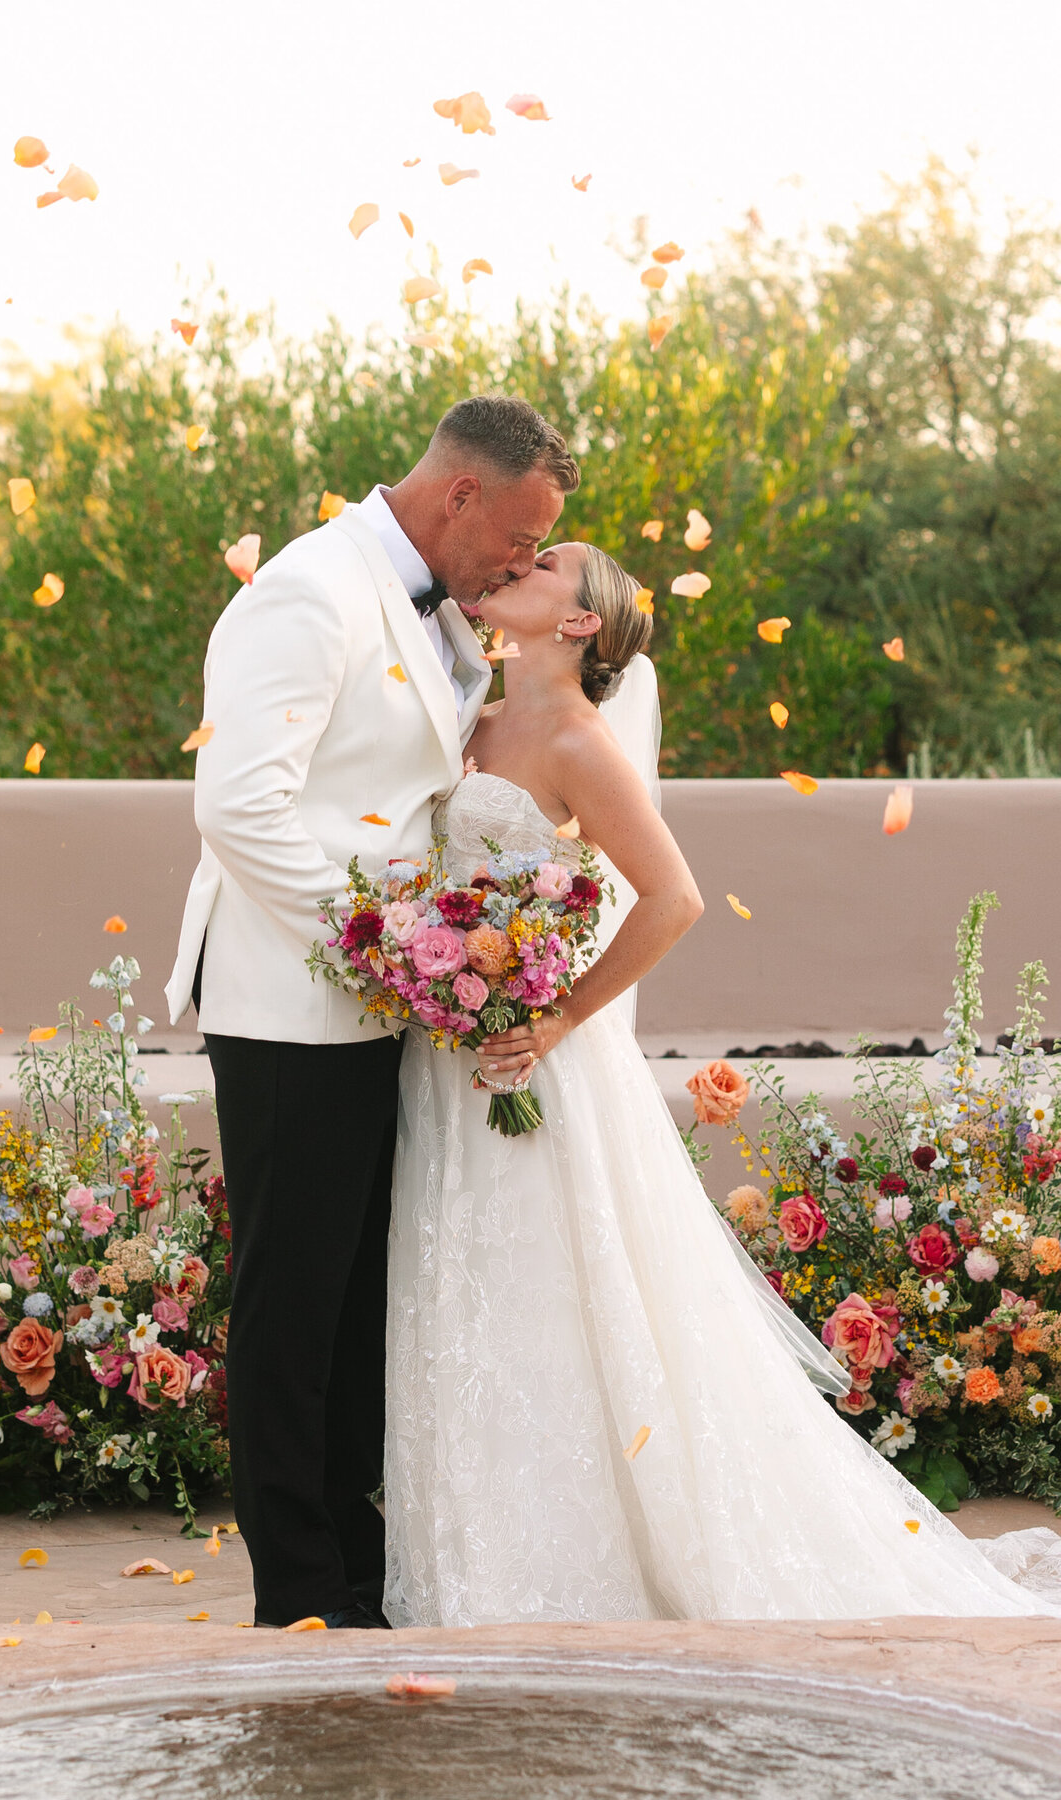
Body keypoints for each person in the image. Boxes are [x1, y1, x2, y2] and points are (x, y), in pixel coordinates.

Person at [383, 539, 1061, 1624]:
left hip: (536, 1065)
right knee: (465, 1281)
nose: (521, 560)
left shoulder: (575, 739)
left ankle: (556, 1575)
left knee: (547, 1283)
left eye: (547, 562)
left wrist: (551, 1016)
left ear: (578, 623)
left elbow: (673, 899)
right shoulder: (470, 717)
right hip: (450, 1053)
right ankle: (482, 1546)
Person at [165, 395, 580, 1628]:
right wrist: (385, 944)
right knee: (293, 1310)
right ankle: (300, 1595)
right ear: (460, 495)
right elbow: (239, 809)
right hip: (292, 1001)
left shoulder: (433, 608)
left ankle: (355, 1574)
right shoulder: (308, 592)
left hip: (376, 1003)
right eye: (518, 535)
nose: (520, 562)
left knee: (353, 1308)